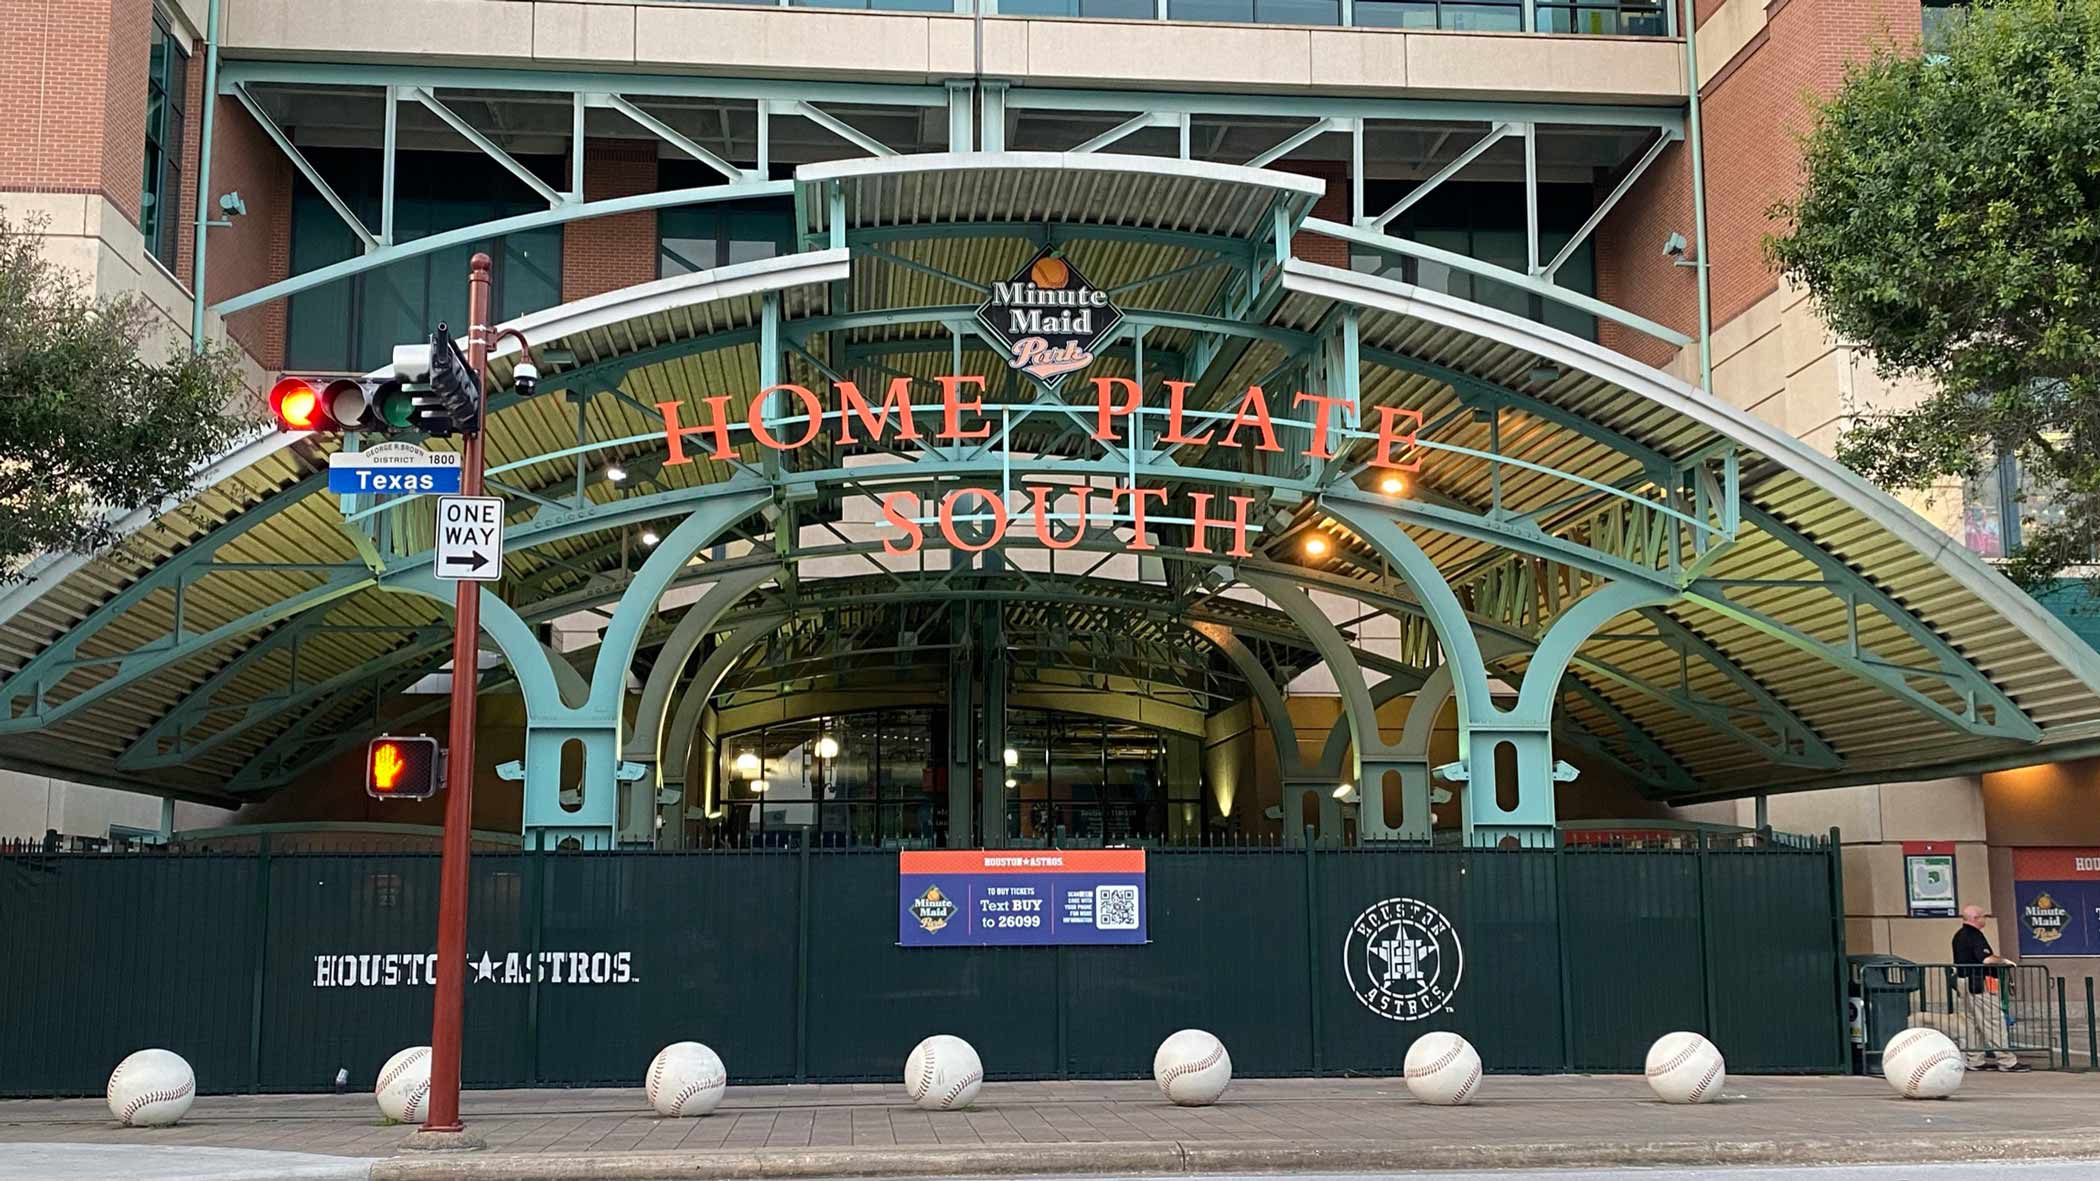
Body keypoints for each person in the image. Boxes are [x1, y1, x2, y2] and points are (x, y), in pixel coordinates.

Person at [1951, 905, 2028, 1072]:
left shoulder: (1959, 935)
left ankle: (1974, 1060)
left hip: (1964, 981)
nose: (1985, 919)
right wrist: (2004, 961)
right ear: (1975, 918)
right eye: (1983, 916)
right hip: (1979, 983)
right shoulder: (1974, 935)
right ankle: (2007, 1061)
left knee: (1973, 1023)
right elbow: (1986, 959)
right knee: (1993, 1020)